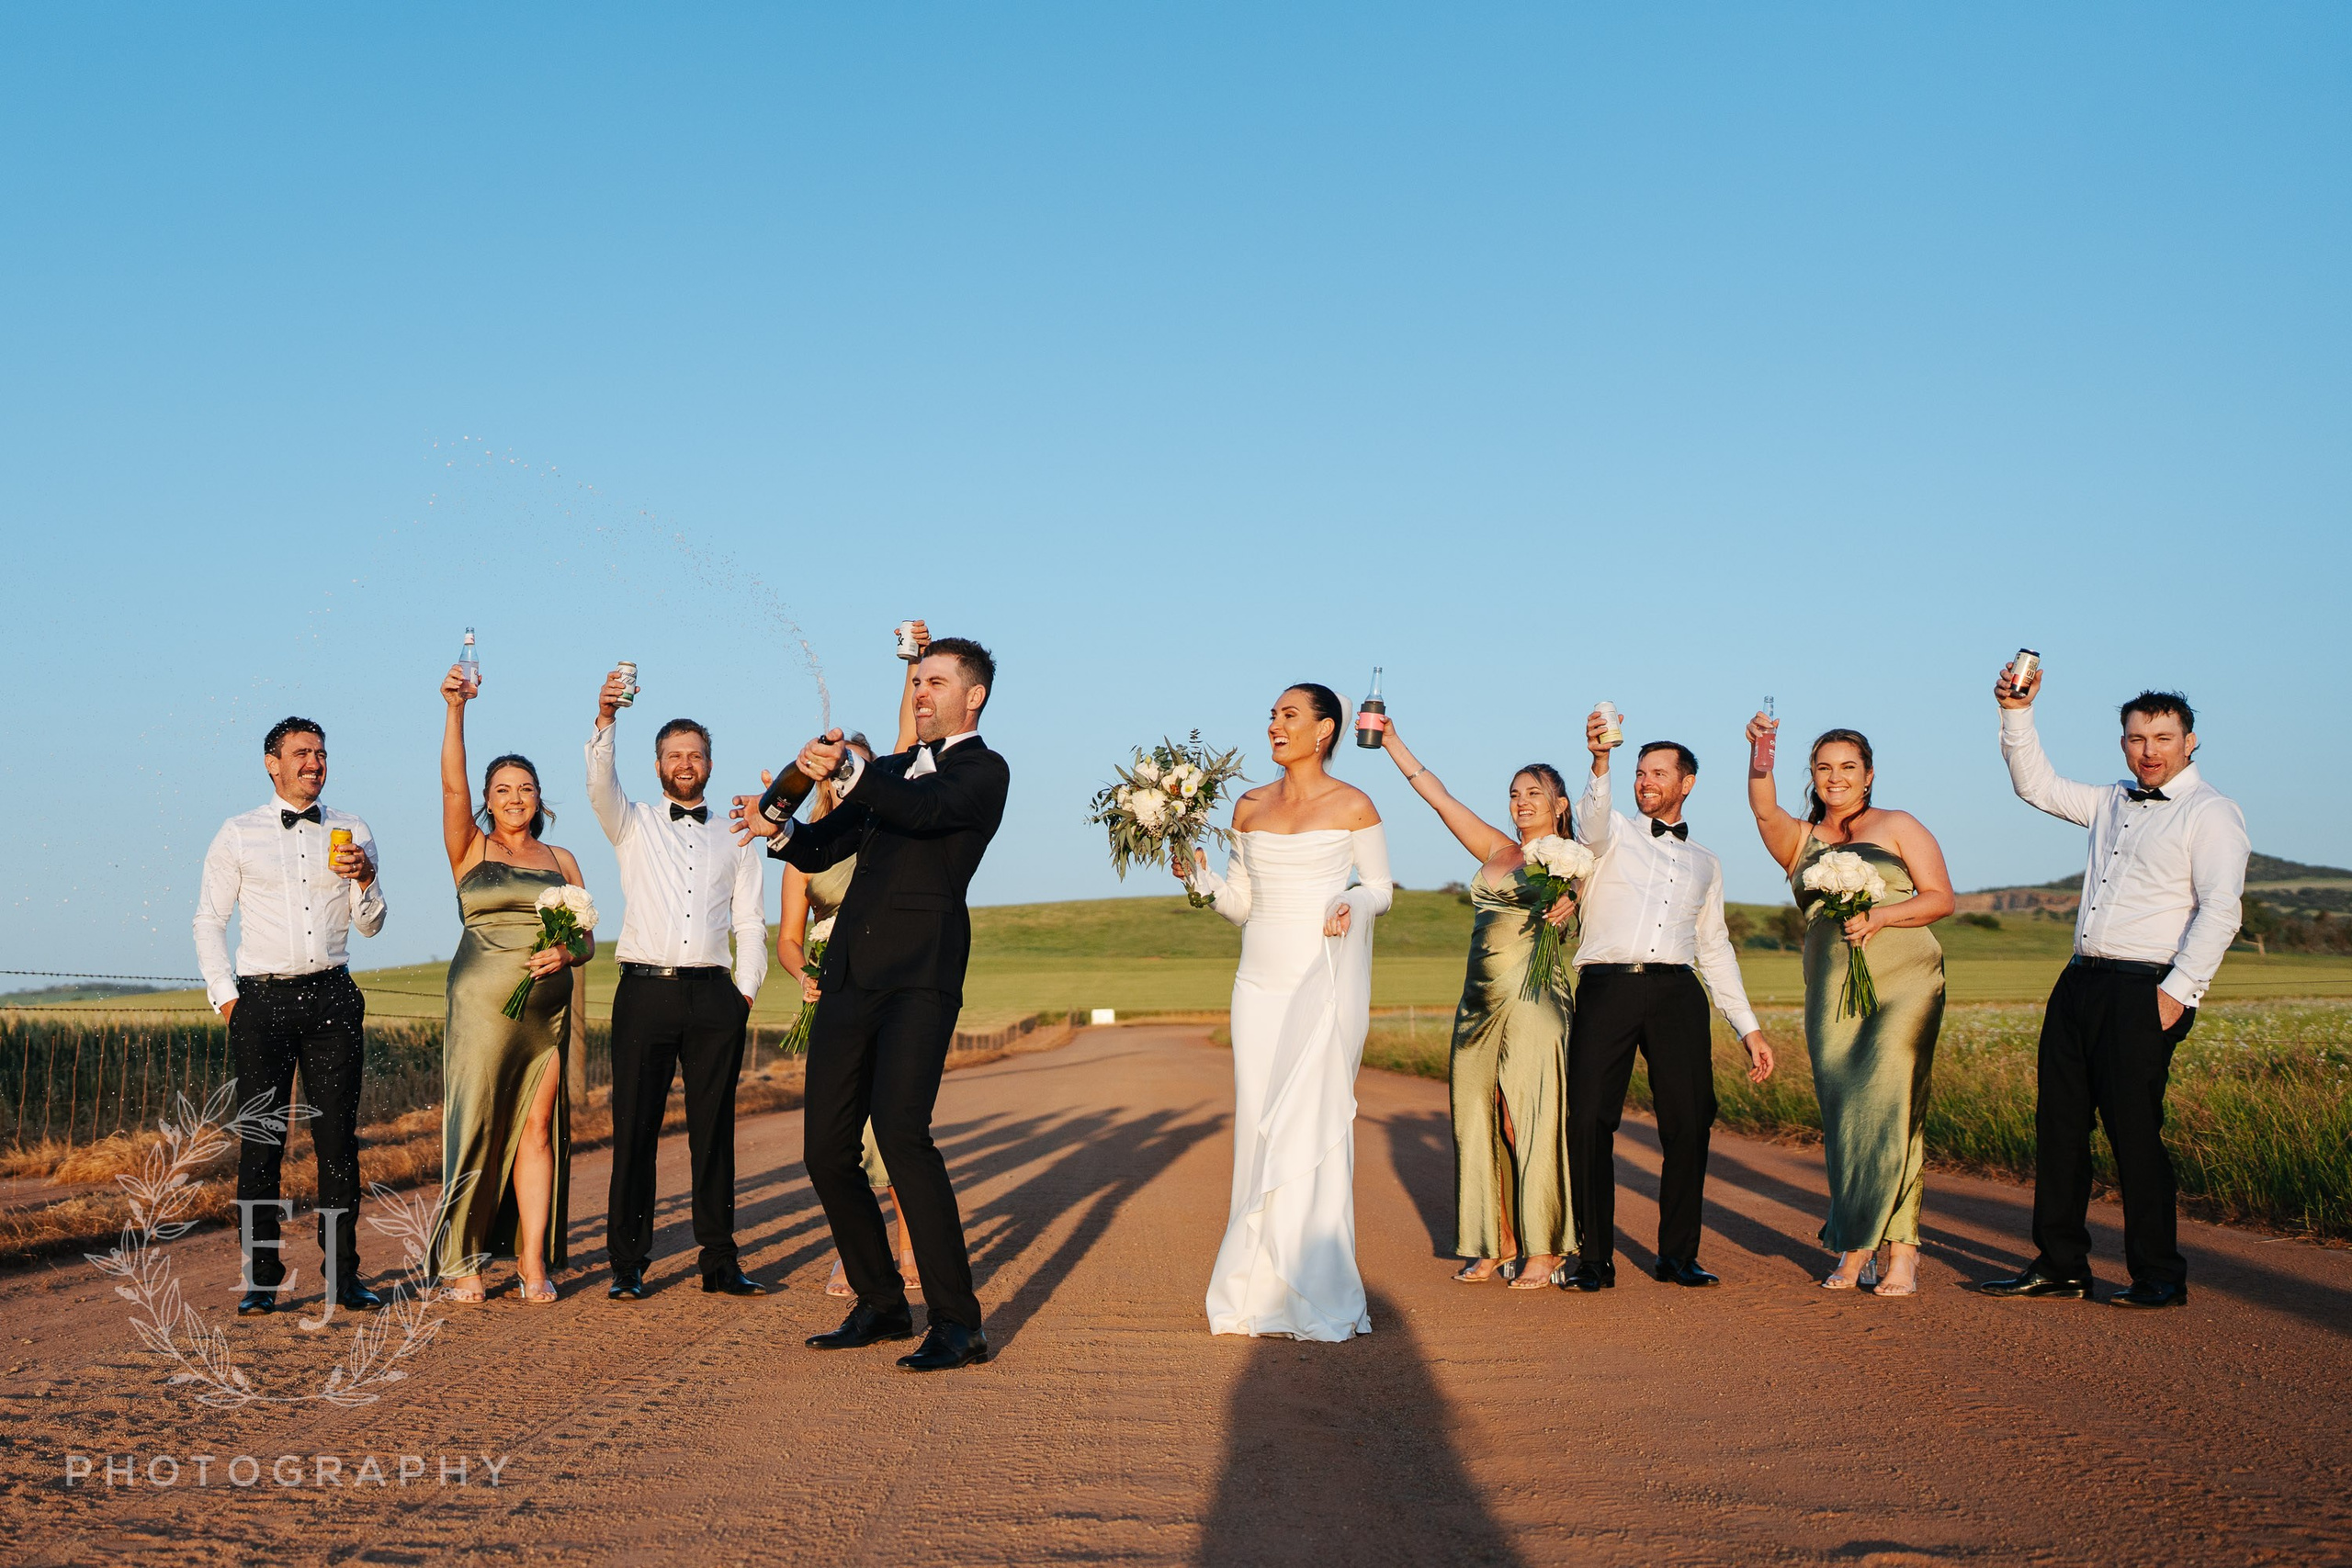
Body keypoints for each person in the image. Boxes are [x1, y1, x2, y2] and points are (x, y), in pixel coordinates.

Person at [741, 637, 1010, 1371]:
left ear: (973, 695)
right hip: (851, 976)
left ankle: (958, 1321)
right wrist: (782, 829)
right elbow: (825, 847)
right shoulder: (887, 770)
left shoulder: (985, 772)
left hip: (922, 977)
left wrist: (849, 767)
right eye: (916, 681)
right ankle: (883, 1302)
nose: (921, 692)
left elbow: (921, 812)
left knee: (901, 1131)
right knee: (824, 1148)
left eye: (936, 682)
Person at [1978, 669, 2247, 1310]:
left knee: (2134, 1134)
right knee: (2060, 1129)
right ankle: (2062, 1264)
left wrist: (2177, 992)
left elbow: (2221, 910)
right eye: (2136, 737)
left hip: (2145, 988)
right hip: (2079, 983)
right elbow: (2034, 784)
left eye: (2162, 736)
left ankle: (2160, 1275)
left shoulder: (2211, 813)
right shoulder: (2109, 802)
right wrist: (2017, 713)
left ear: (2191, 741)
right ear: (2122, 743)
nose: (2149, 749)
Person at [1178, 683, 1393, 1340]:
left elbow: (1380, 887)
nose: (1275, 724)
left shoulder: (1354, 804)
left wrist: (1351, 902)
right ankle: (1254, 1289)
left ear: (1324, 730)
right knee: (1260, 1126)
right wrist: (1206, 884)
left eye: (1289, 714)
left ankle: (1318, 1285)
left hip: (1321, 981)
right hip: (1258, 987)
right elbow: (1243, 902)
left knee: (1313, 1124)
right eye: (1272, 714)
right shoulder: (1248, 805)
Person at [1563, 712, 1773, 1292]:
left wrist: (1747, 1026)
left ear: (1688, 783)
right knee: (1587, 1119)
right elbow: (1594, 817)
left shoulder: (1707, 862)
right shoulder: (1609, 837)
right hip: (1608, 986)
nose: (1646, 781)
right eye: (1639, 772)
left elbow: (1715, 947)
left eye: (1659, 772)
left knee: (1689, 1123)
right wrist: (1600, 762)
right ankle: (1593, 1260)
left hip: (1679, 993)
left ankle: (1677, 1256)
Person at [1744, 718, 1953, 1295]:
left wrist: (1883, 914)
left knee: (1894, 1105)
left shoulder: (1898, 825)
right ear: (1811, 775)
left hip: (1904, 981)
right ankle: (1857, 1242)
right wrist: (1760, 752)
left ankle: (1900, 1252)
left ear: (1869, 775)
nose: (1836, 777)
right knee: (1846, 1115)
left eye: (1848, 767)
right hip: (1832, 992)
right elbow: (1763, 807)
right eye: (1823, 767)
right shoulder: (1799, 839)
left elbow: (1941, 898)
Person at [193, 716, 389, 1317]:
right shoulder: (237, 833)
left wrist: (367, 879)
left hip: (332, 997)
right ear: (271, 762)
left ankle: (345, 1277)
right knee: (262, 1143)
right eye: (301, 753)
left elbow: (372, 923)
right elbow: (208, 920)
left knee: (337, 1142)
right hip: (262, 1001)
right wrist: (227, 998)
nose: (314, 762)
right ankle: (261, 1279)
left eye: (321, 753)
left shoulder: (353, 828)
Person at [587, 673, 770, 1300]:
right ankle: (627, 1265)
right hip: (645, 992)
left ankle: (720, 1261)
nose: (684, 763)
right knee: (635, 1130)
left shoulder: (739, 832)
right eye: (673, 754)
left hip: (715, 998)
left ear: (710, 765)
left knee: (714, 1132)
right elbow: (598, 785)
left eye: (694, 754)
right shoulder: (632, 822)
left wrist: (744, 991)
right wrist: (606, 717)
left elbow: (749, 917)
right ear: (658, 764)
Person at [1376, 719, 1576, 1290]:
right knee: (1475, 1117)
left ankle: (1546, 1248)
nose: (1521, 802)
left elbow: (1589, 886)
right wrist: (1392, 741)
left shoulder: (1574, 858)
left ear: (1560, 804)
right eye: (1514, 793)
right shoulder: (1497, 848)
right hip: (1477, 1003)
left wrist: (1574, 893)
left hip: (1534, 999)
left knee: (1528, 1118)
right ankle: (1496, 1241)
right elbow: (1438, 796)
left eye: (1534, 793)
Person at [776, 627, 930, 1300]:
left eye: (859, 766)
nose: (849, 774)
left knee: (891, 1124)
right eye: (840, 767)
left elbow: (906, 744)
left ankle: (906, 1243)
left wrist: (912, 664)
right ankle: (857, 1252)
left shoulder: (887, 830)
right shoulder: (812, 845)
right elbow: (787, 936)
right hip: (833, 991)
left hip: (893, 982)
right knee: (841, 1135)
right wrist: (801, 972)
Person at [431, 662, 593, 1303]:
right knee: (476, 1122)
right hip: (480, 1005)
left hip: (546, 1012)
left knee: (537, 1126)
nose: (515, 796)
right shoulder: (471, 848)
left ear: (539, 797)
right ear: (487, 800)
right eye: (502, 788)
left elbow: (584, 938)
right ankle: (462, 1257)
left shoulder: (563, 860)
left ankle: (532, 1262)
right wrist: (455, 710)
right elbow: (449, 788)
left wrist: (566, 952)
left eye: (525, 787)